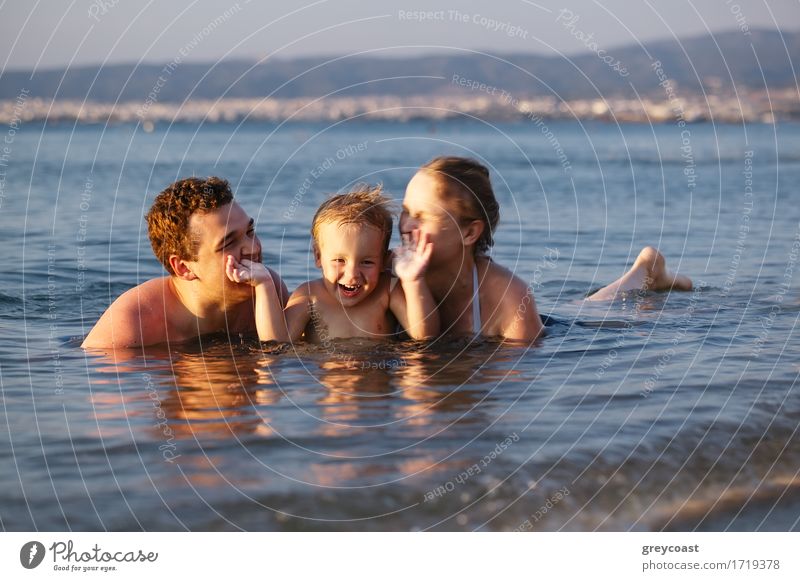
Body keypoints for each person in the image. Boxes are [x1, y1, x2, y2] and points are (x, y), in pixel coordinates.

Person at [400, 156, 693, 341]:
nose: (405, 225)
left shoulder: (509, 297)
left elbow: (521, 374)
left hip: (556, 327)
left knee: (598, 310)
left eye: (422, 216)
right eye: (405, 210)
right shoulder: (392, 273)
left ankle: (646, 270)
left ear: (469, 232)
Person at [81, 176, 288, 349]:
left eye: (250, 232)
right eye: (229, 242)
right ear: (183, 267)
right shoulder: (131, 325)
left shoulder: (269, 290)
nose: (254, 249)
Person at [275, 185, 439, 342]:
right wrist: (265, 286)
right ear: (318, 257)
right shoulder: (309, 296)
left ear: (383, 261)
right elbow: (278, 342)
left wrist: (414, 281)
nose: (352, 274)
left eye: (366, 262)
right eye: (340, 260)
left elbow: (423, 335)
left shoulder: (387, 291)